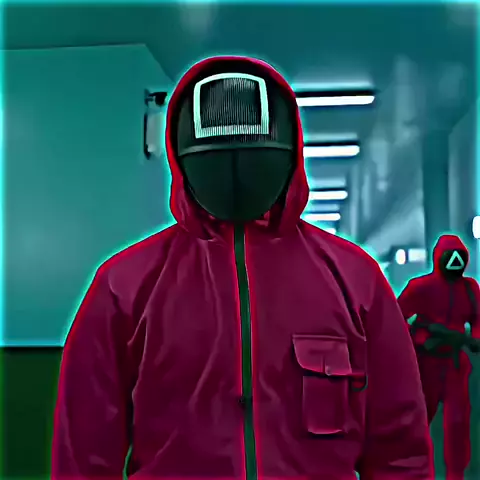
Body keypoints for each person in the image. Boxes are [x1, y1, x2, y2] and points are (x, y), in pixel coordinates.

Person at [52, 56, 432, 480]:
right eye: (218, 157)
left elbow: (400, 450)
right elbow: (83, 456)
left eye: (252, 155)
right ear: (180, 157)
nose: (236, 171)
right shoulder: (124, 287)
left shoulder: (355, 280)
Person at [397, 234, 480, 480]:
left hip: (455, 363)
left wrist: (472, 339)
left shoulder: (470, 289)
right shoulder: (420, 287)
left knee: (457, 424)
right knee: (419, 421)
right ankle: (415, 471)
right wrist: (419, 338)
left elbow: (478, 321)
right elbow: (397, 317)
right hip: (426, 363)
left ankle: (456, 474)